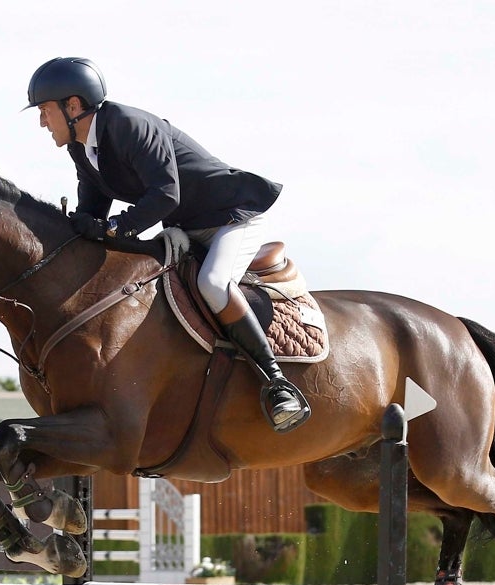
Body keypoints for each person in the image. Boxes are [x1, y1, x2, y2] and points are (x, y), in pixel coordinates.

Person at [25, 56, 310, 433]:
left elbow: (165, 194)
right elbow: (93, 207)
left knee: (212, 283)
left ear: (73, 106)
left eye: (45, 110)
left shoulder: (129, 126)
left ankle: (277, 384)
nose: (42, 122)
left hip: (231, 219)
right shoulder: (82, 147)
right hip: (186, 226)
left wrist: (116, 228)